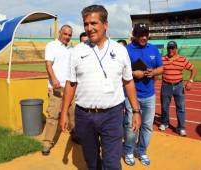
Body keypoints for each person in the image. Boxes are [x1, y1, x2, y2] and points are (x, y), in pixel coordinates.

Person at [60, 5, 141, 170]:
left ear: (105, 24)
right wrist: (63, 113)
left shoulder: (120, 50)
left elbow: (128, 81)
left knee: (111, 163)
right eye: (86, 24)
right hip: (84, 115)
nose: (89, 28)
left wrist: (136, 111)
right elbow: (71, 83)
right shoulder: (76, 51)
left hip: (112, 115)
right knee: (92, 161)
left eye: (94, 23)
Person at [123, 23, 163, 166]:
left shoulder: (153, 49)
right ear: (134, 35)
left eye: (146, 34)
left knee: (147, 126)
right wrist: (134, 73)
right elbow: (121, 70)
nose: (144, 37)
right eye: (140, 34)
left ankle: (142, 151)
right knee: (131, 125)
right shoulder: (127, 50)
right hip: (131, 94)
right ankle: (129, 150)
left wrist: (153, 72)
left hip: (149, 95)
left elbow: (161, 67)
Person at [41, 24, 75, 156]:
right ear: (60, 33)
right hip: (56, 87)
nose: (67, 37)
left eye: (69, 35)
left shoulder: (71, 49)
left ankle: (75, 134)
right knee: (53, 115)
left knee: (73, 113)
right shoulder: (51, 46)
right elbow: (48, 64)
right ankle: (47, 142)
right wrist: (54, 80)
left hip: (70, 87)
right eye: (65, 34)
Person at [159, 41, 197, 136]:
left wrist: (190, 81)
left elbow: (193, 69)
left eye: (172, 48)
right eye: (169, 48)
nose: (170, 50)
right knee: (164, 107)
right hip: (166, 85)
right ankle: (164, 123)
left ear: (176, 49)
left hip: (179, 86)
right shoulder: (162, 59)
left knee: (180, 108)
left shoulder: (182, 59)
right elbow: (156, 69)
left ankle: (181, 127)